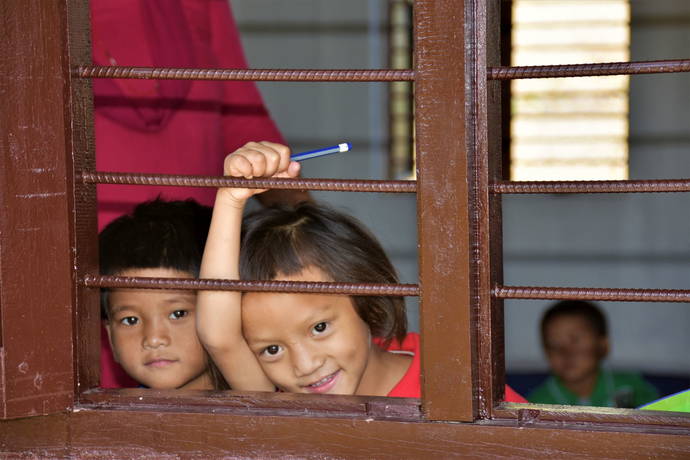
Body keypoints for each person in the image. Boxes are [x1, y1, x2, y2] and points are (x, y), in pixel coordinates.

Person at [197, 141, 526, 401]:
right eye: (272, 350)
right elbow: (218, 335)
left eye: (320, 327)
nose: (305, 365)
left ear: (366, 300)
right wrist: (230, 199)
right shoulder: (280, 400)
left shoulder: (447, 380)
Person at [91, 0, 309, 386]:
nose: (153, 337)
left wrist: (309, 253)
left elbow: (243, 121)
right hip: (81, 273)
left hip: (201, 250)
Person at [100, 198, 229, 390]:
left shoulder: (259, 392)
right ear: (110, 336)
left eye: (178, 314)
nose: (154, 339)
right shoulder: (113, 418)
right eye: (130, 320)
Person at [528, 300, 658, 408]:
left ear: (603, 346)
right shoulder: (538, 402)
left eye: (575, 340)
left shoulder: (631, 388)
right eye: (553, 344)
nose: (565, 352)